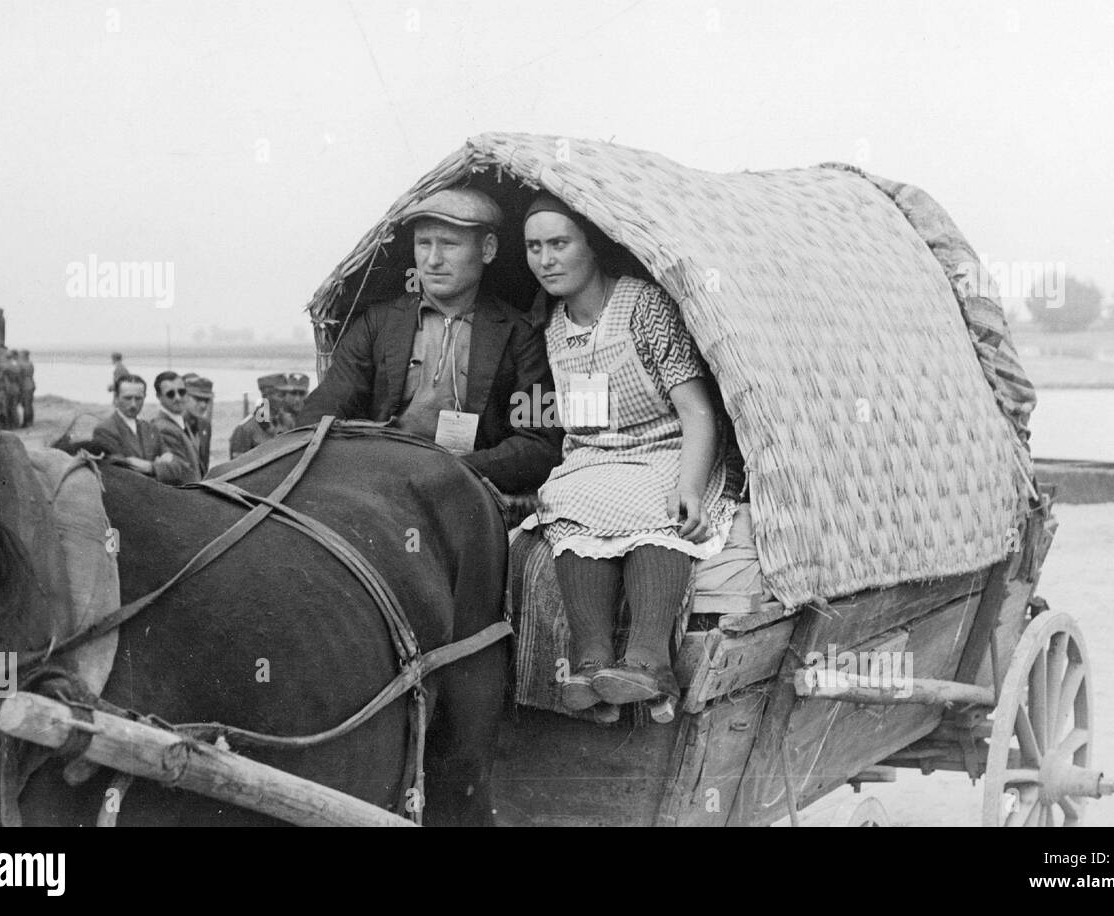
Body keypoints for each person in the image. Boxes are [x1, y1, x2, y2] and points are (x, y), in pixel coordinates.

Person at [521, 194, 738, 722]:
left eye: (559, 244)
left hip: (669, 446)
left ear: (591, 247)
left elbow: (697, 412)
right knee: (567, 499)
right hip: (597, 455)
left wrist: (689, 486)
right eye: (534, 248)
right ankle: (593, 663)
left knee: (653, 502)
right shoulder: (553, 327)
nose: (546, 259)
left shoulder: (642, 305)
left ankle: (649, 660)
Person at [297, 187, 561, 496]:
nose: (433, 260)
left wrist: (455, 469)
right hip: (380, 483)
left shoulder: (520, 335)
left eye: (449, 244)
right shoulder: (377, 324)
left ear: (488, 249)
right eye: (424, 243)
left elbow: (539, 444)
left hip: (466, 490)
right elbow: (327, 404)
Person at [92, 375, 179, 480]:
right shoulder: (105, 430)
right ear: (116, 398)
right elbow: (120, 470)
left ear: (144, 398)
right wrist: (160, 466)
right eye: (127, 398)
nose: (133, 404)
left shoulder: (151, 428)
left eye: (138, 398)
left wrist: (151, 467)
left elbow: (176, 468)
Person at [229, 372, 303, 459]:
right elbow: (237, 467)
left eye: (286, 395)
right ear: (266, 396)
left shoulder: (287, 422)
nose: (285, 400)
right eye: (280, 395)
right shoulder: (245, 429)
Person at [149, 371, 202, 484]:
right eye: (170, 394)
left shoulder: (179, 422)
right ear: (159, 397)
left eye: (181, 392)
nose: (177, 398)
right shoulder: (163, 428)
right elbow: (181, 473)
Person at [180, 373, 214, 476]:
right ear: (183, 396)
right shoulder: (173, 425)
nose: (203, 405)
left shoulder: (205, 426)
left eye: (206, 400)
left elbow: (204, 464)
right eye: (198, 399)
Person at [17, 349, 36, 428]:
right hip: (31, 384)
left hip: (25, 386)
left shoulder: (22, 364)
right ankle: (30, 421)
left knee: (26, 405)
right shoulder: (30, 363)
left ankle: (26, 422)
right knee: (29, 404)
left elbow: (19, 376)